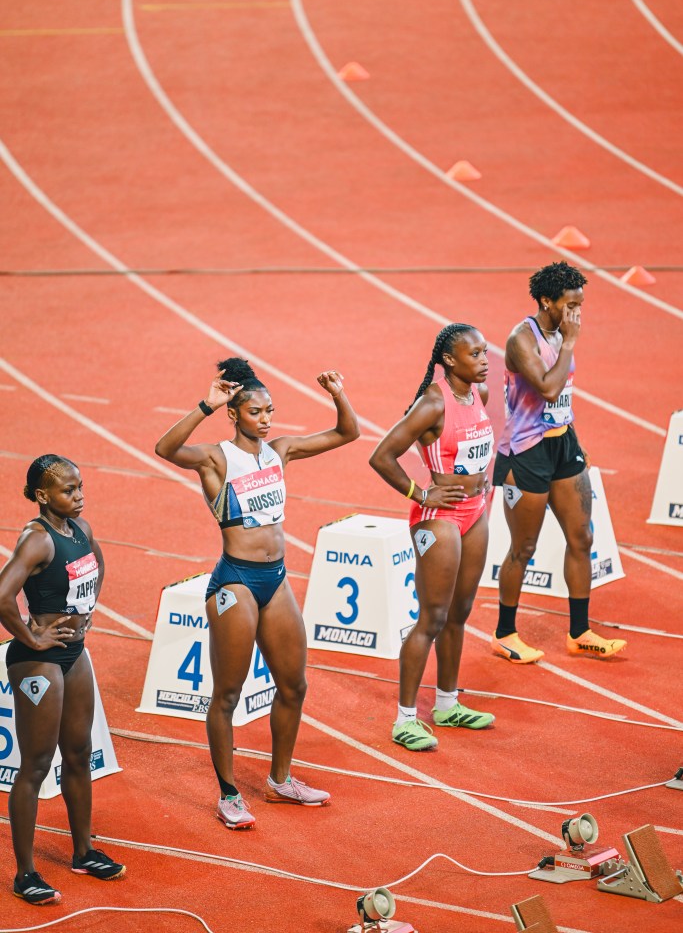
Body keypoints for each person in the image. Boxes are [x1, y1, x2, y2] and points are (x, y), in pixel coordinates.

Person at [155, 358, 359, 829]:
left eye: (270, 410)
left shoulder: (279, 451)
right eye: (256, 412)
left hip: (277, 579)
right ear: (235, 413)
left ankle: (280, 780)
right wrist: (207, 403)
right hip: (236, 581)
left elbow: (346, 433)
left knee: (294, 685)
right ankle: (228, 794)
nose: (267, 419)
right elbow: (165, 448)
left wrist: (337, 393)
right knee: (227, 693)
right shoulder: (216, 458)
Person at [0, 455, 125, 906]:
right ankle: (25, 873)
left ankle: (83, 851)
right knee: (35, 765)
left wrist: (83, 618)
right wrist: (32, 638)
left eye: (80, 486)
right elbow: (1, 594)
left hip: (74, 653)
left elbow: (97, 570)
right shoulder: (37, 540)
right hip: (39, 663)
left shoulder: (83, 530)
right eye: (69, 490)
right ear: (41, 496)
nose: (79, 495)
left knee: (78, 753)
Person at [490, 261, 626, 662]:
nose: (577, 315)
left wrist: (571, 436)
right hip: (526, 451)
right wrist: (568, 342)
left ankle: (580, 631)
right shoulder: (522, 339)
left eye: (581, 305)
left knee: (582, 537)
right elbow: (549, 389)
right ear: (546, 301)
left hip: (563, 443)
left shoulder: (561, 329)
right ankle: (504, 633)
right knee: (524, 546)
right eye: (570, 306)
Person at [369, 324, 496, 752]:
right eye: (475, 354)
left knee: (460, 611)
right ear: (449, 361)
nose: (484, 360)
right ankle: (404, 719)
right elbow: (381, 455)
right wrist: (420, 492)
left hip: (475, 512)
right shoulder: (432, 402)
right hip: (438, 518)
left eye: (484, 352)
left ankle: (446, 704)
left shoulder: (479, 394)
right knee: (433, 617)